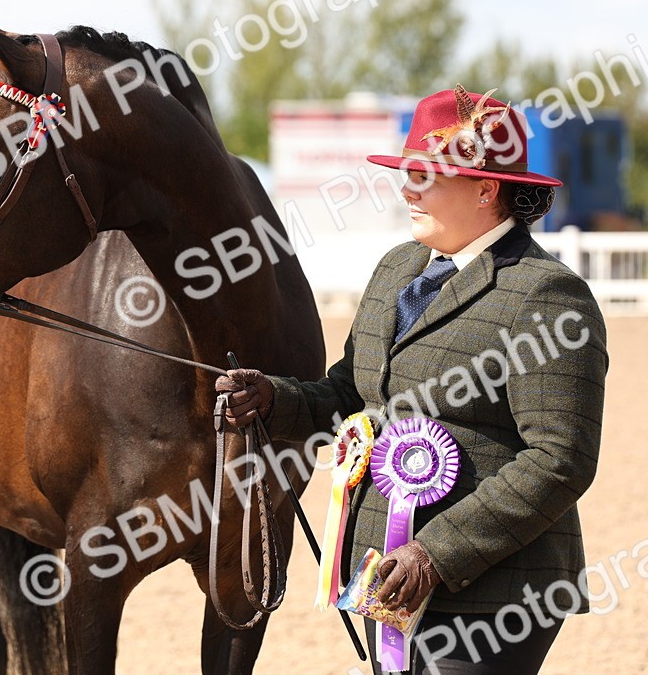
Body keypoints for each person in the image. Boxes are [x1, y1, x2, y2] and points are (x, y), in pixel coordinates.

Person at [217, 86, 608, 675]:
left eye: (428, 174)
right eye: (409, 172)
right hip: (388, 575)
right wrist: (274, 399)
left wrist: (434, 552)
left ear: (485, 188)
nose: (408, 188)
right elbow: (352, 393)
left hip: (492, 592)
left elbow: (561, 457)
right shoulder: (398, 267)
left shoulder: (546, 296)